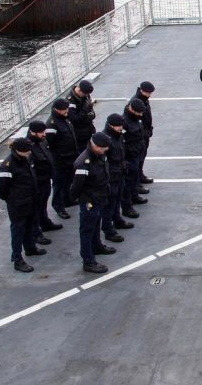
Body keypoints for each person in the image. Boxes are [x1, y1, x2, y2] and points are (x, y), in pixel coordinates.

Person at [0, 137, 45, 273]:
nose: (29, 153)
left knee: (29, 227)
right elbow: (1, 189)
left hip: (30, 201)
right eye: (26, 151)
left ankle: (30, 248)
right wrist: (13, 199)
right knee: (18, 231)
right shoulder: (7, 165)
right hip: (18, 204)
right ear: (18, 150)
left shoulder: (25, 159)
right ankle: (17, 259)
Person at [70, 132, 115, 274]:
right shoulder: (84, 162)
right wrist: (81, 200)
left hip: (100, 196)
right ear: (94, 145)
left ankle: (97, 246)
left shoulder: (98, 155)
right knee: (87, 230)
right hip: (90, 200)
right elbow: (76, 186)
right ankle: (88, 260)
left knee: (96, 225)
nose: (105, 151)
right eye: (102, 148)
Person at [26, 121, 62, 247]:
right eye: (41, 132)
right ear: (32, 132)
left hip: (45, 179)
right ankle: (36, 233)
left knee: (42, 204)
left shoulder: (41, 141)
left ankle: (45, 223)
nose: (44, 134)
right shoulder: (29, 147)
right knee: (35, 208)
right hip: (37, 183)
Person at [45, 98, 78, 219]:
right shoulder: (51, 124)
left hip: (70, 158)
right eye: (64, 110)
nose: (67, 111)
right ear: (57, 110)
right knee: (58, 185)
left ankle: (67, 199)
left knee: (68, 181)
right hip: (60, 161)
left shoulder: (65, 119)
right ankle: (58, 206)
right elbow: (50, 145)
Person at [100, 113, 129, 243]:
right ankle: (108, 229)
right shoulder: (105, 139)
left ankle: (117, 219)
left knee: (117, 200)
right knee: (109, 205)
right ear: (111, 125)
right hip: (111, 177)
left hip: (119, 173)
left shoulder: (118, 136)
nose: (120, 128)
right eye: (118, 126)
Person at [121, 98, 148, 219]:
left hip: (136, 153)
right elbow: (121, 142)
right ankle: (127, 207)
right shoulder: (124, 122)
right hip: (129, 156)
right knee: (127, 183)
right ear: (132, 109)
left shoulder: (135, 119)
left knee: (134, 178)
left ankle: (134, 195)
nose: (141, 115)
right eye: (139, 113)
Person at [132, 81, 155, 188]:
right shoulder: (136, 102)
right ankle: (137, 183)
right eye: (148, 93)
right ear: (141, 91)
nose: (149, 95)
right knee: (138, 159)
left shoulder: (143, 100)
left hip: (144, 134)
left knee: (142, 157)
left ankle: (140, 176)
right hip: (139, 136)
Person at [66, 79, 96, 152]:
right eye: (85, 94)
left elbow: (90, 109)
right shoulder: (70, 101)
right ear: (79, 90)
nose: (86, 95)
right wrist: (85, 108)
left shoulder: (85, 94)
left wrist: (91, 113)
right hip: (79, 134)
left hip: (88, 129)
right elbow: (74, 119)